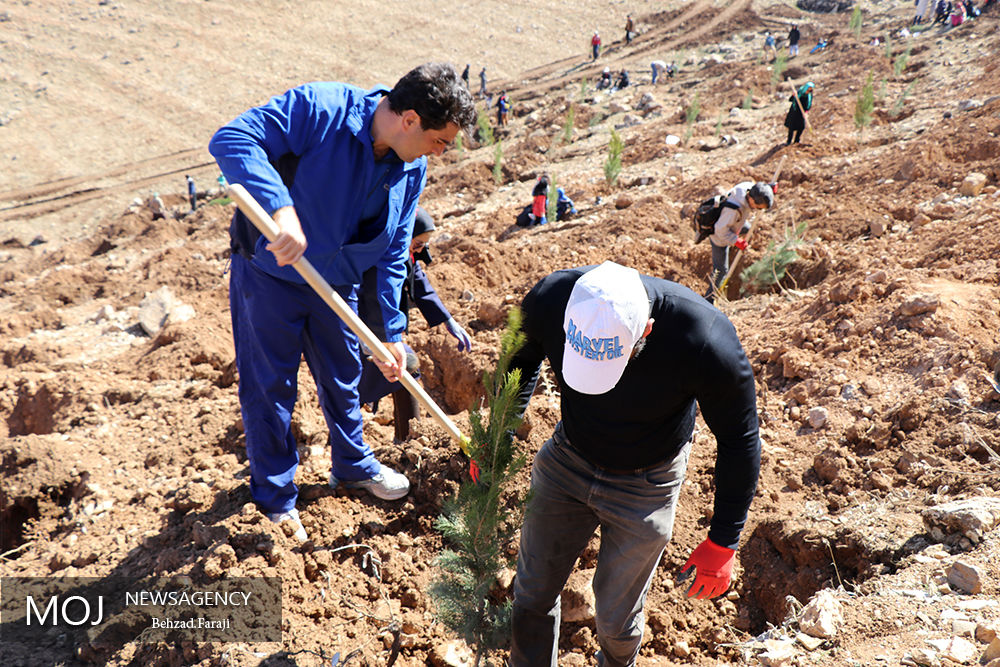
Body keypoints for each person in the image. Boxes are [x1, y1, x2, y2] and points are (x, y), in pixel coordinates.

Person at [209, 63, 476, 542]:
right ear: (410, 120)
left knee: (343, 375)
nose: (441, 151)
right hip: (273, 277)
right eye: (441, 140)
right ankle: (275, 498)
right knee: (270, 388)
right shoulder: (321, 108)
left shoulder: (412, 165)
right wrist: (281, 210)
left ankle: (351, 464)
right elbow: (232, 140)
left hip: (338, 287)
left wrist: (391, 332)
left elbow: (394, 248)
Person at [507, 261, 761, 666]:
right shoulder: (551, 298)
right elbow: (519, 362)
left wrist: (723, 539)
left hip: (647, 484)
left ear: (645, 330)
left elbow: (739, 437)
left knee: (615, 620)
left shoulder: (703, 339)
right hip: (567, 460)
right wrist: (498, 436)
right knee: (531, 595)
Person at [356, 207, 471, 444]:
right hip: (360, 328)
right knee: (393, 368)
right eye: (417, 244)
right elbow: (368, 297)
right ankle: (396, 442)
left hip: (379, 331)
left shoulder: (405, 253)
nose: (419, 251)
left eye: (423, 247)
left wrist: (447, 320)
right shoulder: (379, 254)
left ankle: (406, 440)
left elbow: (419, 283)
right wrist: (372, 338)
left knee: (403, 366)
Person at [703, 181, 774, 302]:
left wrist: (769, 189)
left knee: (748, 228)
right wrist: (736, 241)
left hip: (735, 223)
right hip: (719, 237)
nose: (757, 209)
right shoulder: (733, 210)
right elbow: (720, 230)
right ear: (751, 199)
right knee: (721, 271)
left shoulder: (748, 188)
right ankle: (709, 300)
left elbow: (760, 189)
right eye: (758, 207)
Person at [783, 81, 813, 145]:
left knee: (801, 127)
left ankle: (797, 140)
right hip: (794, 112)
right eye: (808, 90)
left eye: (810, 90)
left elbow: (809, 105)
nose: (808, 92)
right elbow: (790, 100)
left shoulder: (809, 96)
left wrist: (806, 112)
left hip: (802, 113)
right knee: (791, 127)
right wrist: (794, 95)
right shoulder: (799, 92)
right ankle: (789, 141)